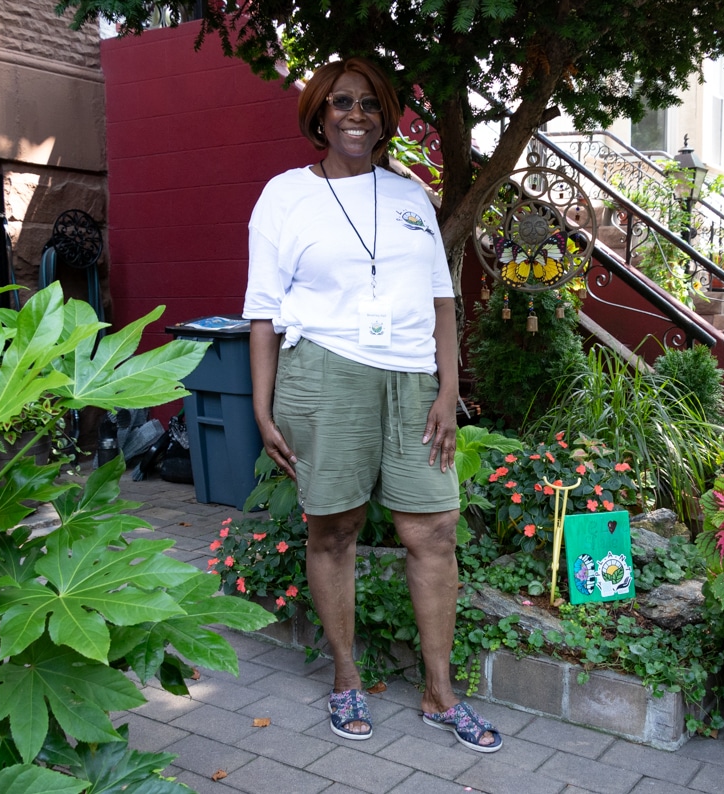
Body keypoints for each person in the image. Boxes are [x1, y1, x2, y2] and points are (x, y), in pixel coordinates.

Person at [242, 56, 501, 753]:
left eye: (370, 105)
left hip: (413, 379)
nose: (356, 116)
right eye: (341, 104)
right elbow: (263, 313)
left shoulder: (412, 196)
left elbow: (443, 302)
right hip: (324, 374)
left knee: (434, 529)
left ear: (387, 118)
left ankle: (440, 691)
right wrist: (262, 409)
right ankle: (346, 675)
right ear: (319, 115)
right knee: (334, 527)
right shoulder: (285, 196)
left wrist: (448, 390)